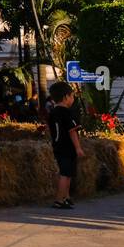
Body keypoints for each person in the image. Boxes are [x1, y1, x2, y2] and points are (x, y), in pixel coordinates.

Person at [47, 81, 83, 210]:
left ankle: (66, 197)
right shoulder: (66, 112)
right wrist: (78, 148)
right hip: (67, 146)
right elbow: (72, 131)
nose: (73, 99)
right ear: (66, 97)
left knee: (66, 172)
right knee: (66, 174)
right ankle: (59, 200)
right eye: (72, 96)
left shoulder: (53, 112)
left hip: (57, 146)